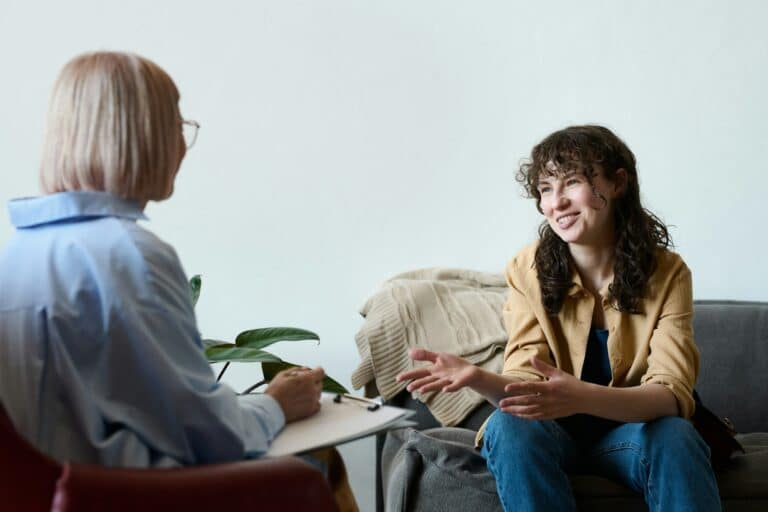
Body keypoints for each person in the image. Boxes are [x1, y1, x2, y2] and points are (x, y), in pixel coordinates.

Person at [0, 51, 325, 468]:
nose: (182, 146)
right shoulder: (128, 257)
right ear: (144, 134)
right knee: (314, 465)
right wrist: (277, 404)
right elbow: (211, 437)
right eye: (177, 124)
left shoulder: (16, 253)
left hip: (51, 495)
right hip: (127, 496)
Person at [397, 125, 721, 511]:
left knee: (676, 435)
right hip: (553, 438)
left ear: (618, 183)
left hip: (632, 438)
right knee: (507, 426)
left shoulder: (668, 272)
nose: (556, 202)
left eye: (572, 182)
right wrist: (478, 377)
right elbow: (525, 388)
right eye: (546, 189)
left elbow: (670, 397)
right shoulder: (526, 268)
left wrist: (579, 397)